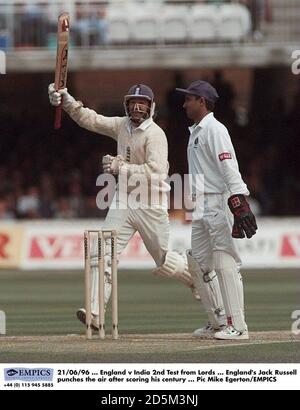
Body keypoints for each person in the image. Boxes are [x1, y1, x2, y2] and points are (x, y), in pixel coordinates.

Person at [48, 82, 199, 331]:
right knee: (102, 250)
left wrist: (121, 167)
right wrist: (65, 100)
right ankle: (95, 313)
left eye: (143, 104)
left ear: (151, 107)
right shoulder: (121, 126)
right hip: (124, 199)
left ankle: (194, 277)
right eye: (133, 103)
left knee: (163, 259)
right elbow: (90, 119)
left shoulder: (155, 135)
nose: (137, 107)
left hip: (150, 202)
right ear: (126, 105)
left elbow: (158, 173)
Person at [176, 80, 257, 340]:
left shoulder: (215, 129)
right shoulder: (197, 131)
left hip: (218, 202)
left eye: (189, 98)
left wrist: (239, 200)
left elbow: (228, 166)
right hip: (201, 204)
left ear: (202, 101)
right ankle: (218, 321)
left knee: (224, 261)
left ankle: (239, 326)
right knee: (198, 262)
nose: (184, 103)